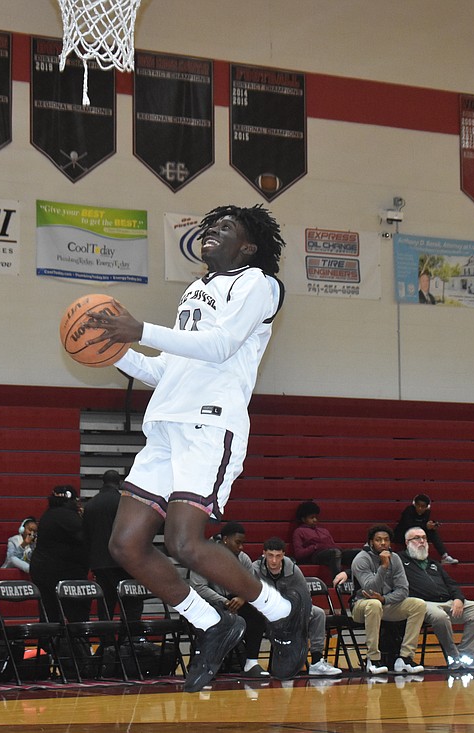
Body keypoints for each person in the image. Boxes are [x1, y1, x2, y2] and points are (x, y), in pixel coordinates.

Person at [88, 204, 309, 693]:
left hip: (210, 424)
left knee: (185, 541)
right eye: (209, 227)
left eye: (224, 227)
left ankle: (282, 611)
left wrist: (138, 329)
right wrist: (113, 349)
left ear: (248, 246)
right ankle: (212, 623)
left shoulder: (259, 284)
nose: (211, 232)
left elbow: (219, 345)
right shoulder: (196, 290)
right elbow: (168, 367)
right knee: (125, 544)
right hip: (166, 424)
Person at [250, 537, 342, 678]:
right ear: (264, 554)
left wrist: (299, 615)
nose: (274, 560)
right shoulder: (254, 569)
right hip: (264, 611)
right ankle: (281, 659)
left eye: (278, 556)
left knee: (318, 613)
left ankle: (317, 662)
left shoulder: (292, 569)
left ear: (283, 555)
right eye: (270, 556)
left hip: (289, 610)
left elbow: (305, 597)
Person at [401, 527, 474, 670]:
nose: (422, 541)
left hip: (446, 601)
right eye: (417, 538)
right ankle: (453, 656)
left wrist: (458, 599)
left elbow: (451, 584)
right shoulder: (400, 561)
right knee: (439, 616)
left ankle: (467, 656)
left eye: (424, 538)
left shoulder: (433, 563)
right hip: (421, 604)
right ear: (407, 542)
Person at [187, 522, 267, 678]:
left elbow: (252, 585)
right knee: (214, 619)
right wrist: (224, 601)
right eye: (238, 542)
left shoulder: (243, 558)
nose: (241, 547)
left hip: (234, 601)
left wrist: (242, 597)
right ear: (225, 540)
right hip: (207, 602)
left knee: (256, 614)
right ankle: (204, 664)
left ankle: (251, 663)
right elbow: (199, 588)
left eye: (243, 543)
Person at [350, 524, 427, 675]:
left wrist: (385, 599)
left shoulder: (396, 558)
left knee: (418, 605)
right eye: (378, 540)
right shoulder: (361, 559)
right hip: (361, 606)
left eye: (386, 540)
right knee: (373, 603)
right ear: (371, 542)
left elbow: (403, 590)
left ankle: (405, 658)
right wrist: (383, 567)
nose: (383, 543)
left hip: (385, 604)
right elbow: (371, 590)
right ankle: (373, 658)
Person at [82, 470, 142, 621]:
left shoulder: (90, 505)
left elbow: (86, 536)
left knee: (106, 604)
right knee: (130, 602)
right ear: (119, 482)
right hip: (122, 561)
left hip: (100, 563)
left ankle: (107, 641)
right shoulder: (123, 502)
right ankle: (129, 639)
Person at [29, 485, 89, 623]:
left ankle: (49, 642)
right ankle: (78, 642)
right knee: (77, 611)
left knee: (50, 613)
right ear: (70, 500)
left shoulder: (48, 514)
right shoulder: (66, 516)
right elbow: (85, 538)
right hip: (61, 571)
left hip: (43, 569)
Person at [392, 494, 458, 564]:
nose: (420, 508)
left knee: (432, 532)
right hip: (402, 534)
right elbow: (409, 525)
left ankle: (445, 556)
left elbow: (423, 526)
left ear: (427, 507)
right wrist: (425, 526)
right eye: (418, 505)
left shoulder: (427, 513)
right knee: (414, 534)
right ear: (414, 504)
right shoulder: (409, 510)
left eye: (423, 506)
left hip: (417, 534)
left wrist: (431, 525)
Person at [292, 501, 345, 582]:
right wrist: (314, 547)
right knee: (335, 553)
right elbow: (299, 554)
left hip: (331, 552)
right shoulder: (299, 531)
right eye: (311, 517)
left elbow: (333, 545)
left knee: (355, 553)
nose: (315, 520)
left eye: (316, 517)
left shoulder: (324, 530)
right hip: (315, 555)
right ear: (303, 519)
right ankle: (337, 582)